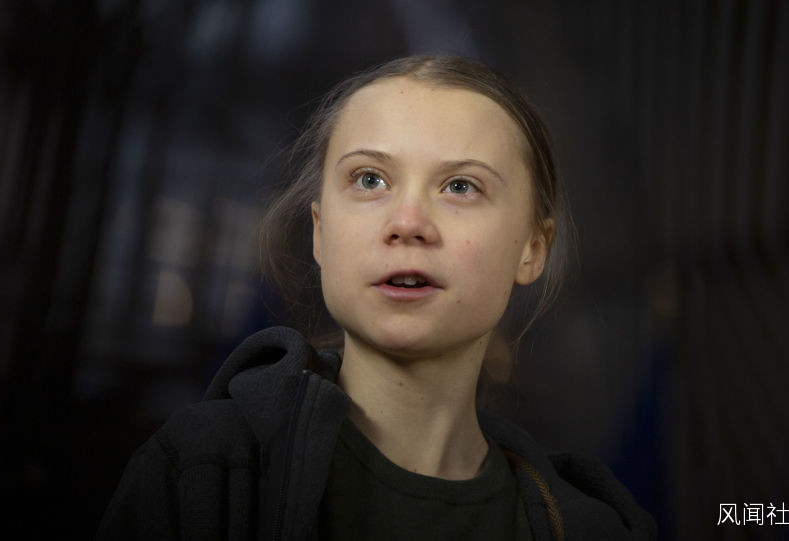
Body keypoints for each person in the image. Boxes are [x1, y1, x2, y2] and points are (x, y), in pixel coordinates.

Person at [97, 55, 656, 540]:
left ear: (533, 248)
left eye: (461, 186)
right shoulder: (202, 475)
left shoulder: (591, 528)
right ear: (319, 232)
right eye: (369, 180)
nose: (407, 222)